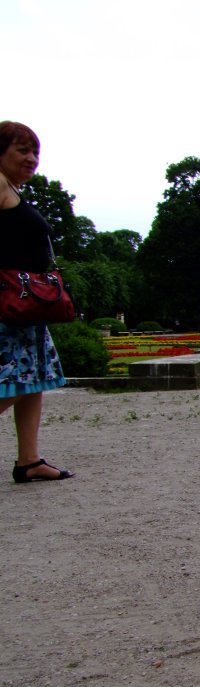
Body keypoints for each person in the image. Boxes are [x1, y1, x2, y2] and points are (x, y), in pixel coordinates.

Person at [0, 120, 74, 483]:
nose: (32, 159)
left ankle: (28, 460)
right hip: (7, 301)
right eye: (22, 150)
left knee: (33, 380)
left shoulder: (11, 187)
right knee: (14, 379)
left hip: (26, 301)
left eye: (35, 152)